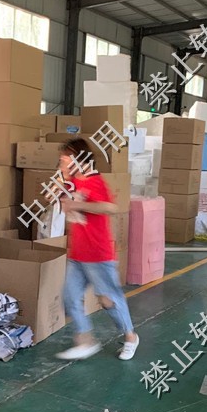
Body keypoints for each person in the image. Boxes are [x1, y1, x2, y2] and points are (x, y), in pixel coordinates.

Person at [54, 138, 140, 360]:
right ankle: (85, 340)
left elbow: (110, 207)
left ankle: (130, 337)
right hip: (77, 254)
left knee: (108, 300)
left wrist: (77, 205)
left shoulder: (95, 181)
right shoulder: (74, 182)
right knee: (70, 297)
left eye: (65, 159)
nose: (62, 163)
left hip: (98, 254)